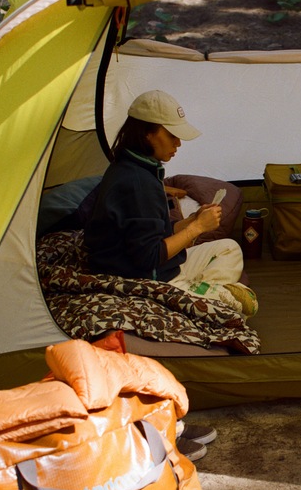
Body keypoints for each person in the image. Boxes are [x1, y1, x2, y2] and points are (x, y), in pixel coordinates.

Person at [84, 89, 257, 318]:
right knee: (247, 307)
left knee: (229, 248)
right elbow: (149, 256)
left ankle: (198, 293)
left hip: (160, 267)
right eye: (171, 136)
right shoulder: (137, 183)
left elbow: (154, 234)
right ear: (147, 133)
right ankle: (192, 297)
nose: (178, 144)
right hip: (144, 278)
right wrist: (198, 228)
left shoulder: (136, 168)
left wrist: (191, 222)